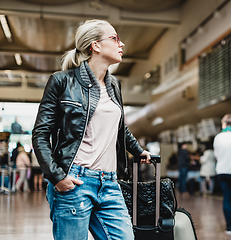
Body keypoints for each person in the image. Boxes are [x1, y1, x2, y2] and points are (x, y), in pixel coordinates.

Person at [32, 19, 151, 240]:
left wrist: (138, 150)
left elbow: (119, 126)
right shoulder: (61, 81)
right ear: (95, 46)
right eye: (114, 38)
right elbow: (40, 134)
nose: (121, 44)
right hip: (75, 181)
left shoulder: (114, 84)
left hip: (109, 183)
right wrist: (57, 176)